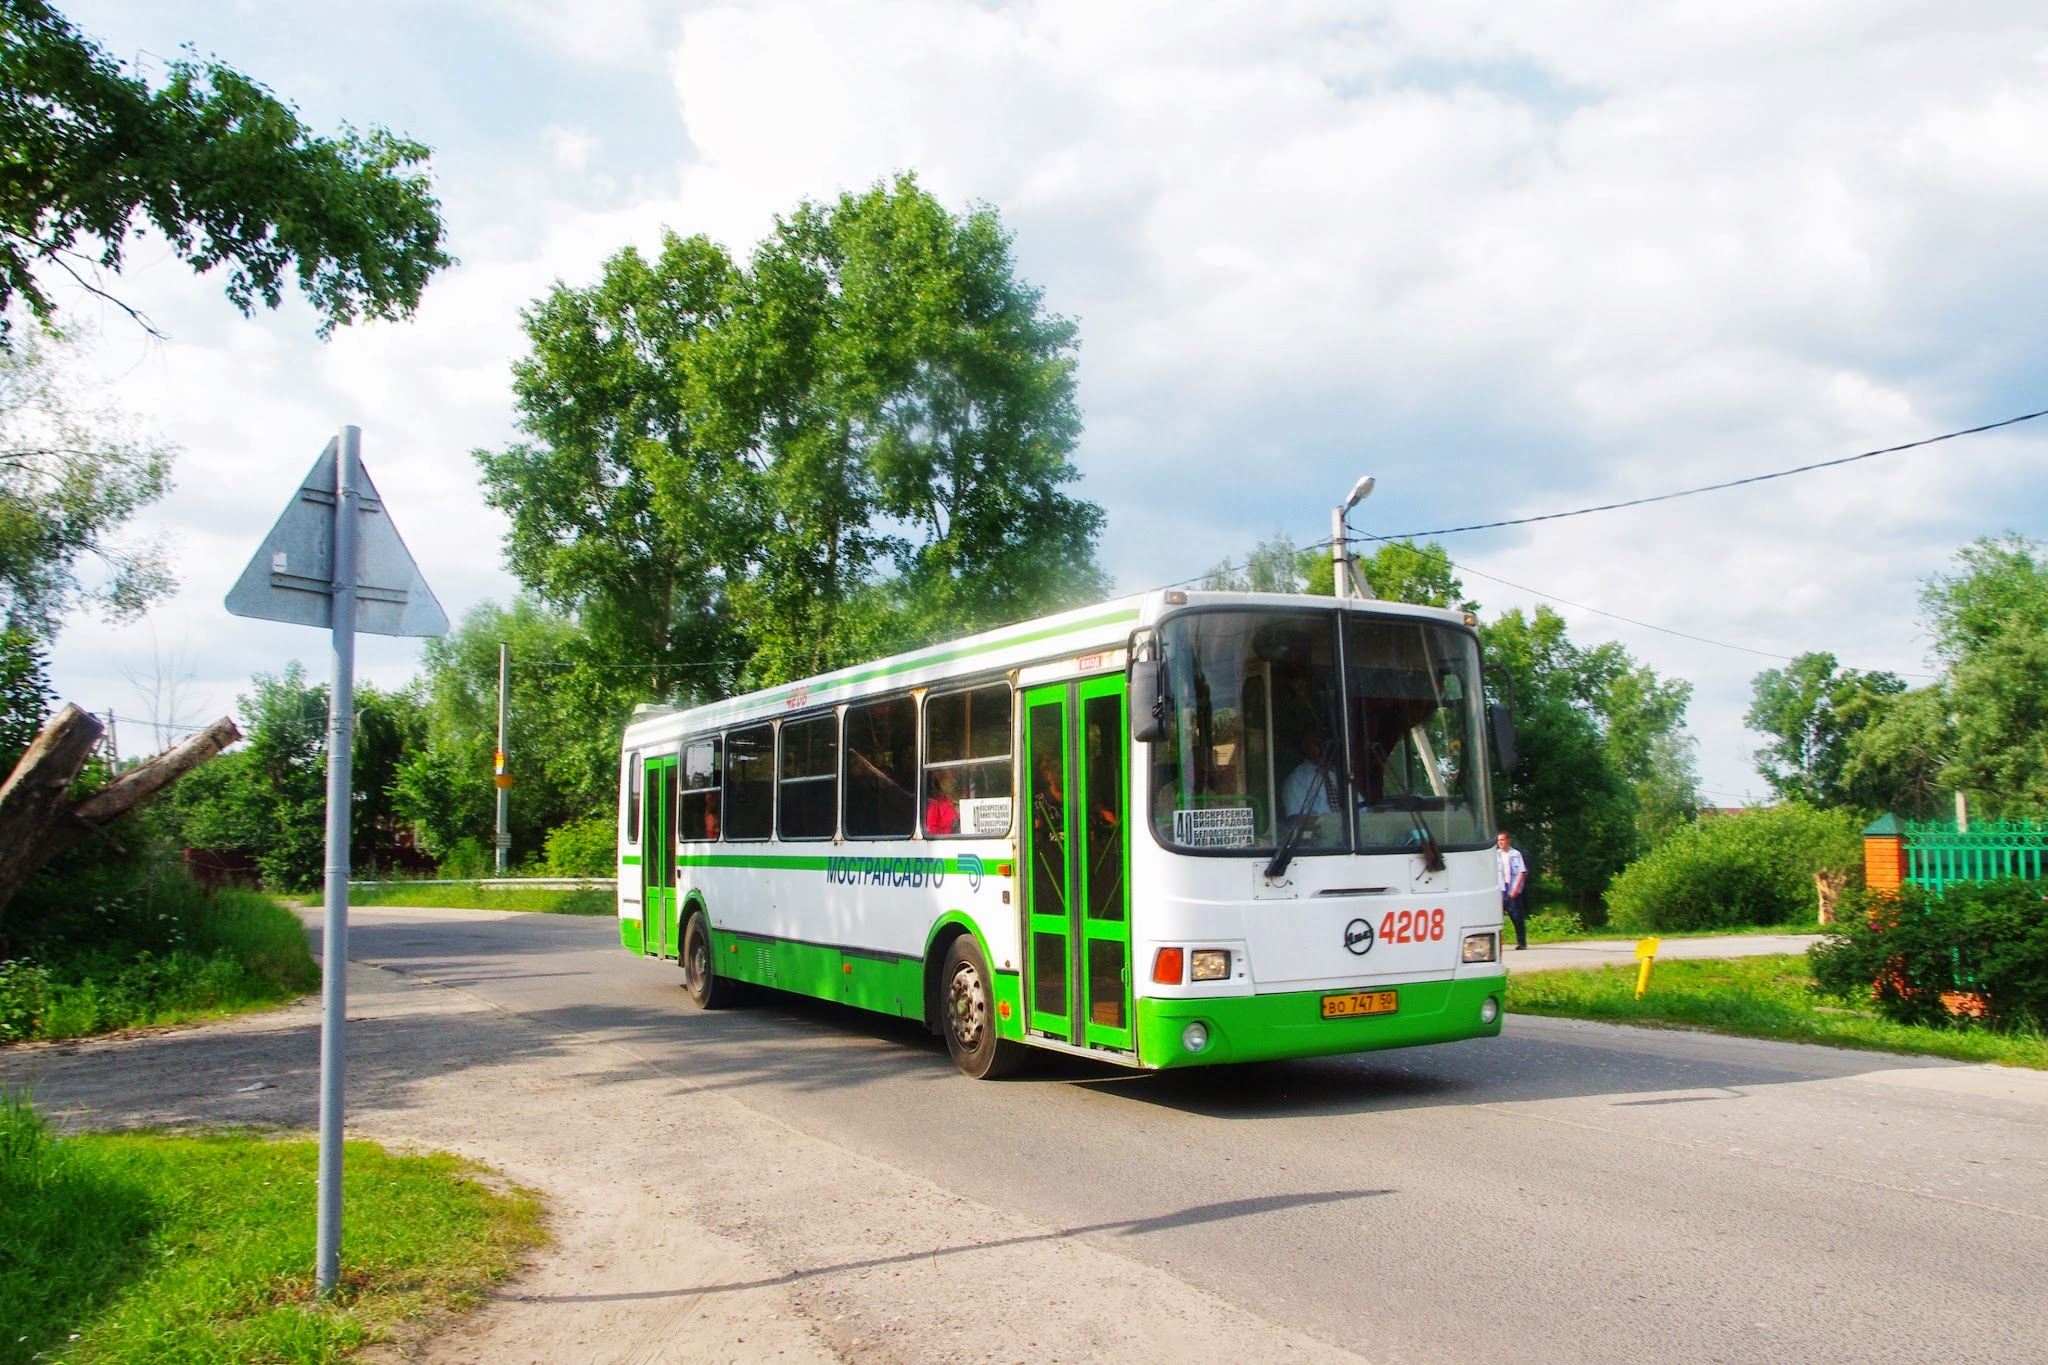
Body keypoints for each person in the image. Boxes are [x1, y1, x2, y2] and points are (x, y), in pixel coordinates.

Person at [1497, 829, 1529, 950]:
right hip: (1501, 888)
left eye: (1502, 840)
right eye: (1499, 840)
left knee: (1516, 916)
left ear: (1508, 841)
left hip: (1512, 889)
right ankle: (1497, 943)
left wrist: (1516, 888)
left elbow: (1522, 872)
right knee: (1497, 917)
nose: (1500, 842)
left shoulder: (1516, 854)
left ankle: (1522, 942)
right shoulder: (1496, 855)